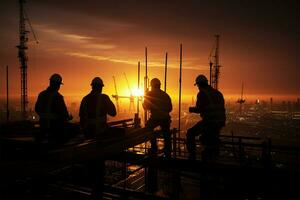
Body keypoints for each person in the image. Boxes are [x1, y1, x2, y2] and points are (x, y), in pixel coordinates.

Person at [186, 74, 226, 160]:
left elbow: (200, 108)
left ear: (199, 84)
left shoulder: (202, 93)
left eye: (197, 86)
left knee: (190, 133)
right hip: (220, 122)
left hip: (210, 121)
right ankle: (214, 154)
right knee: (211, 138)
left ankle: (192, 156)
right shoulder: (218, 93)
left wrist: (191, 109)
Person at [35, 73, 73, 143]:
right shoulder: (58, 97)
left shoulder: (41, 94)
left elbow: (37, 109)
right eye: (58, 85)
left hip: (43, 126)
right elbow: (63, 113)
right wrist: (68, 117)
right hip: (55, 127)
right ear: (57, 85)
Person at [143, 78, 173, 157]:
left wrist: (145, 96)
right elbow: (170, 108)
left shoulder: (150, 94)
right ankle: (168, 149)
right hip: (165, 118)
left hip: (155, 118)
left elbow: (145, 107)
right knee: (166, 133)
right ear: (159, 85)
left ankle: (154, 147)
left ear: (152, 85)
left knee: (148, 128)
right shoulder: (165, 94)